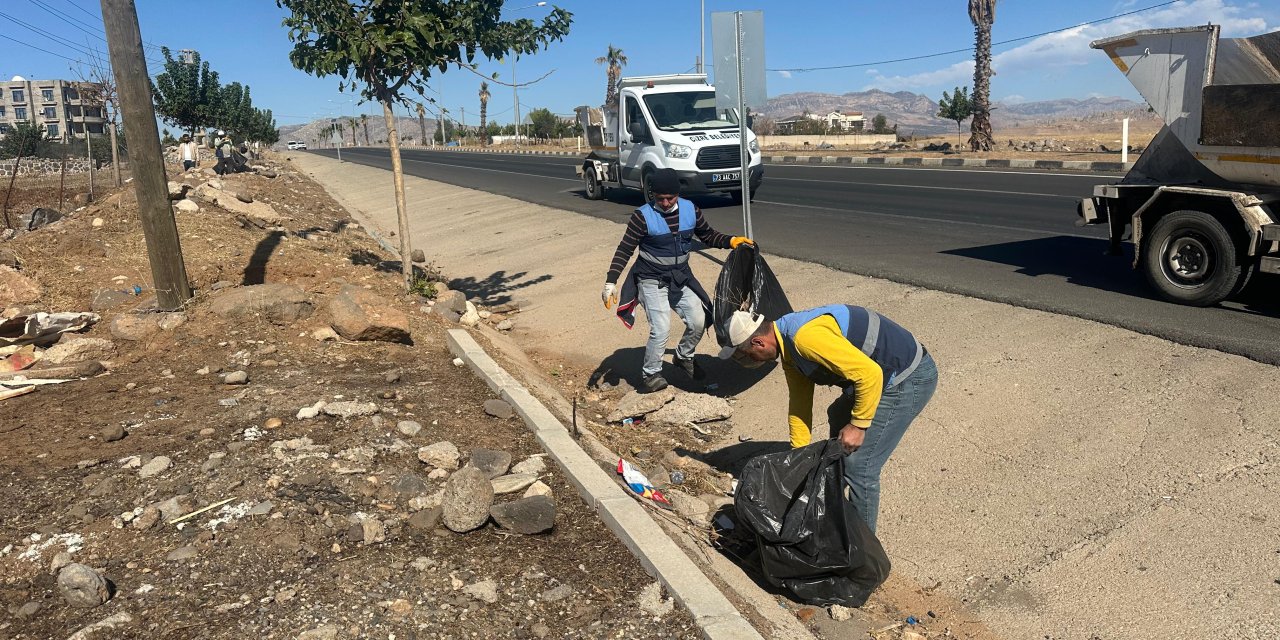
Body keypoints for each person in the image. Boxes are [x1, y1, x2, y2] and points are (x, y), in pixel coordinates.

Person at [719, 305, 937, 533]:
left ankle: (861, 553)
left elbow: (869, 375)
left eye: (744, 356)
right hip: (877, 375)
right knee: (837, 415)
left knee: (860, 467)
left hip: (906, 377)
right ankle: (832, 495)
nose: (748, 362)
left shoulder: (804, 339)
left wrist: (858, 425)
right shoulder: (788, 347)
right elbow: (800, 405)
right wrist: (798, 458)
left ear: (758, 343)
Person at [603, 168, 752, 393]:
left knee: (699, 320)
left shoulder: (691, 209)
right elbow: (625, 249)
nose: (664, 203)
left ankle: (683, 357)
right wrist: (610, 281)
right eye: (659, 198)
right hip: (650, 278)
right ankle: (651, 373)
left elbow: (708, 235)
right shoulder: (642, 216)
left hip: (680, 278)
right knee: (661, 328)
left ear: (677, 194)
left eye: (669, 198)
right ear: (652, 195)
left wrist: (731, 241)